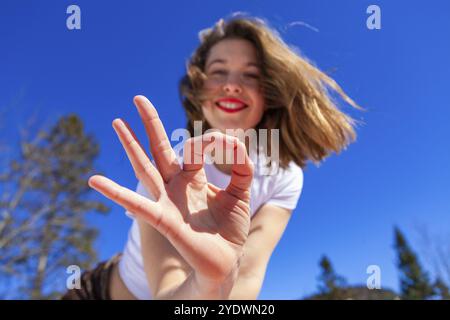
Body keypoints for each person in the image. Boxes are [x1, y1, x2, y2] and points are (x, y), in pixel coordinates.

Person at [62, 15, 361, 300]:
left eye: (251, 75)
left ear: (268, 94)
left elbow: (246, 280)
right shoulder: (172, 170)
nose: (232, 84)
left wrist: (211, 282)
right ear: (199, 91)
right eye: (218, 71)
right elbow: (167, 291)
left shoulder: (284, 176)